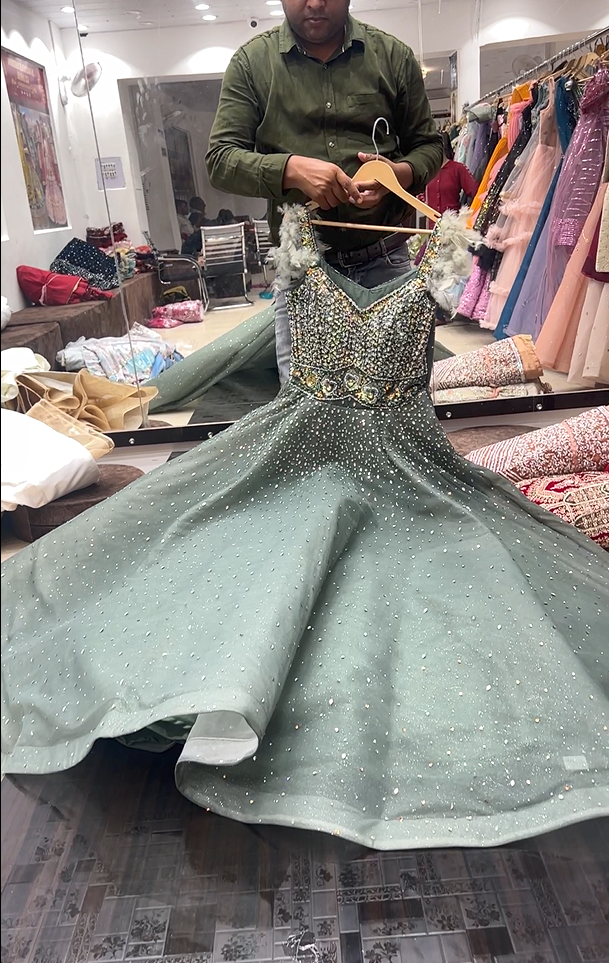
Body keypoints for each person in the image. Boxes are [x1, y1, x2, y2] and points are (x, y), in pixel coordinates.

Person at [2, 203, 607, 850]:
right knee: (203, 541)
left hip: (404, 456)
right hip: (297, 445)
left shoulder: (439, 257)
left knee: (444, 578)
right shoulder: (298, 250)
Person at [206, 0, 443, 382]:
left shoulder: (392, 57)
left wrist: (396, 176)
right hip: (303, 271)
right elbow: (220, 160)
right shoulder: (252, 64)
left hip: (386, 263)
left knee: (399, 401)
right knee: (307, 407)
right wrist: (291, 169)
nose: (315, 2)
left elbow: (430, 146)